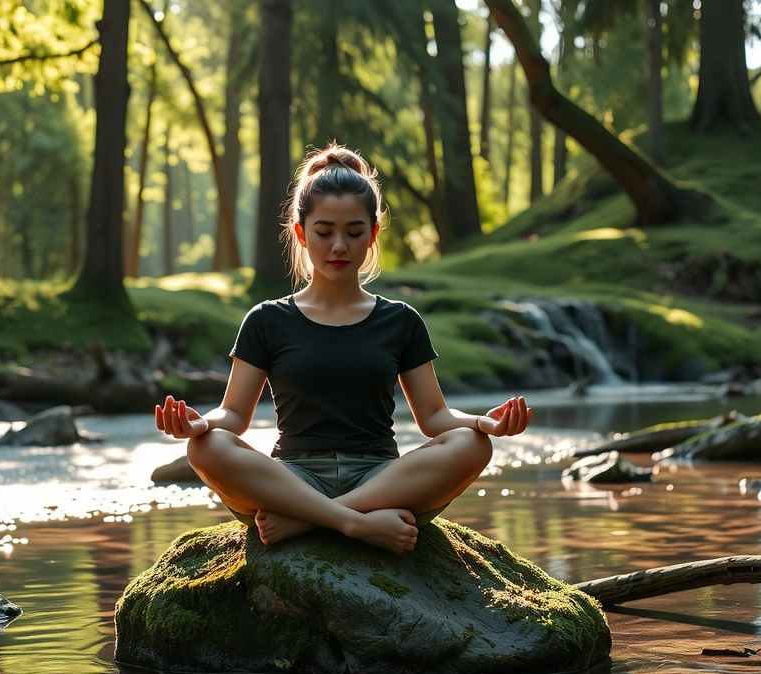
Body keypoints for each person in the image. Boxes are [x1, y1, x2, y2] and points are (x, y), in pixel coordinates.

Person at [156, 144, 531, 554]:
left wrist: (483, 423)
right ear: (301, 233)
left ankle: (308, 520)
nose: (339, 246)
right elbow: (233, 416)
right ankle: (354, 523)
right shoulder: (266, 320)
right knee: (205, 447)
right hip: (294, 479)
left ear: (372, 235)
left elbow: (435, 417)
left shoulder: (401, 321)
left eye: (354, 233)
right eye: (324, 232)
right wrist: (199, 425)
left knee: (472, 444)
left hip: (381, 479)